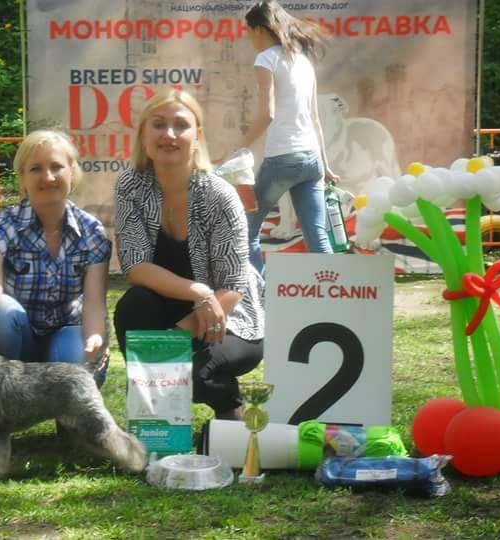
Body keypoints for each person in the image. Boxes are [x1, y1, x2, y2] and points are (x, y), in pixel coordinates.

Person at [113, 88, 265, 420]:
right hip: (184, 303)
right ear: (143, 134)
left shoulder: (220, 195)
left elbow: (233, 285)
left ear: (197, 136)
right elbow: (135, 266)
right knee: (133, 305)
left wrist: (178, 337)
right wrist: (198, 292)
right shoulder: (129, 185)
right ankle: (155, 421)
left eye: (180, 125)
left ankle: (229, 405)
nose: (169, 134)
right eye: (158, 124)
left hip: (229, 314)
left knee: (189, 373)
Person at [0, 129, 111, 387]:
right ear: (23, 177)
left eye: (56, 167)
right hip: (16, 336)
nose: (47, 177)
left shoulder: (92, 231)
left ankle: (63, 400)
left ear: (72, 172)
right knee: (1, 312)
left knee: (74, 357)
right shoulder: (1, 226)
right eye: (36, 168)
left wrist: (94, 336)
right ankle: (3, 395)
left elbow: (94, 303)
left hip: (66, 331)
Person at [242, 0, 340, 273]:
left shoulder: (266, 58)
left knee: (248, 232)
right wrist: (326, 166)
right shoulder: (304, 62)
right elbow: (315, 119)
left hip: (282, 159)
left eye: (248, 32)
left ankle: (257, 291)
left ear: (259, 29)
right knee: (317, 237)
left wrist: (237, 148)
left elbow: (267, 114)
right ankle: (333, 292)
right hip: (312, 161)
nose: (249, 39)